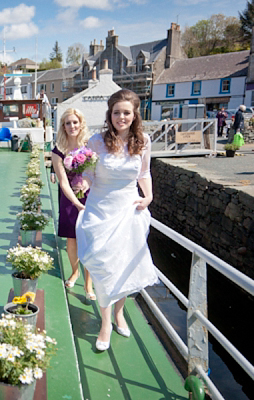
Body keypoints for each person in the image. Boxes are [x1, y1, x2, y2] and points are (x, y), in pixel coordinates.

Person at [75, 89, 158, 352]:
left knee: (123, 266)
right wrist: (80, 185)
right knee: (102, 267)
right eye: (116, 112)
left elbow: (144, 172)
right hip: (100, 210)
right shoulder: (96, 142)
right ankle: (106, 323)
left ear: (135, 116)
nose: (121, 117)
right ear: (109, 115)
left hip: (129, 210)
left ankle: (119, 313)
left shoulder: (143, 141)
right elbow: (89, 174)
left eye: (126, 113)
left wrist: (149, 196)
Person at [51, 108, 95, 301]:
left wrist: (86, 184)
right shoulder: (58, 150)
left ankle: (88, 283)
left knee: (89, 239)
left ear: (81, 123)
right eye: (68, 123)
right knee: (71, 239)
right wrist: (76, 203)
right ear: (63, 126)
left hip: (90, 194)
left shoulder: (89, 146)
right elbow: (62, 181)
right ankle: (75, 272)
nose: (72, 126)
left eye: (75, 122)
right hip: (70, 198)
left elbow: (95, 172)